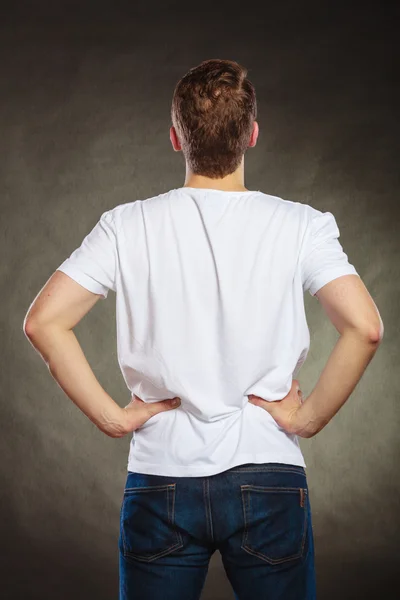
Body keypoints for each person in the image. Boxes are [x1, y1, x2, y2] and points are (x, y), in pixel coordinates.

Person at [23, 59, 384, 600]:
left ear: (174, 137)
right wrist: (306, 418)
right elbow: (365, 328)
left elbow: (44, 322)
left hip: (160, 476)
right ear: (252, 135)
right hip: (268, 473)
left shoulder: (127, 224)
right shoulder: (301, 225)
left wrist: (114, 419)